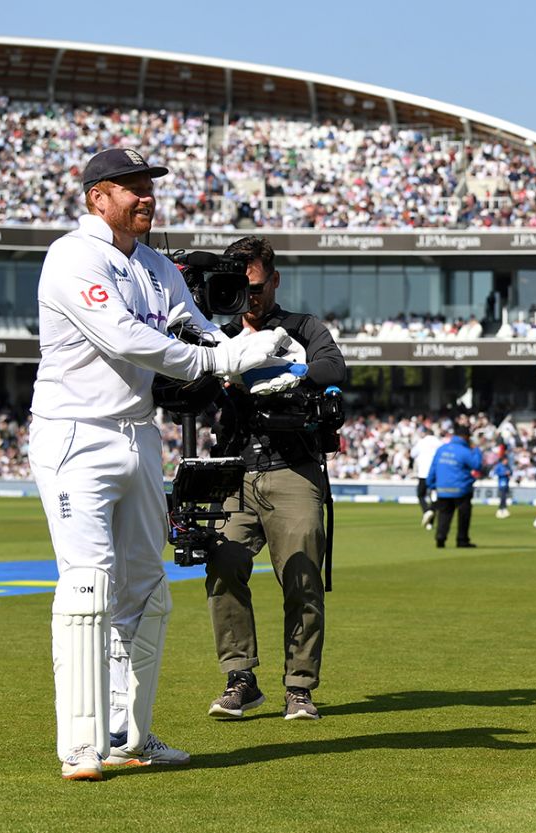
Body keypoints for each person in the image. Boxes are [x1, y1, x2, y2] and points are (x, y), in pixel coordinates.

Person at [30, 148, 290, 780]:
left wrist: (260, 365)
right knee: (88, 586)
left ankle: (131, 734)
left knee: (146, 593)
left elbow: (198, 330)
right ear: (97, 196)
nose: (146, 196)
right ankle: (80, 747)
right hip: (74, 435)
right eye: (132, 187)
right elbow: (122, 336)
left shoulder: (154, 266)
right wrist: (218, 363)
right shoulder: (72, 256)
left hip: (138, 437)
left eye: (149, 186)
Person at [204, 235, 347, 722]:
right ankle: (240, 678)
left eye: (258, 287)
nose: (251, 298)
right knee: (222, 567)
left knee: (302, 577)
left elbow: (334, 367)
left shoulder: (303, 326)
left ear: (275, 280)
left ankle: (300, 688)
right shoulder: (217, 335)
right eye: (241, 288)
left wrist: (292, 369)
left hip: (293, 467)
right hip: (234, 470)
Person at [427, 421, 482, 549]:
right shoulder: (465, 451)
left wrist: (431, 484)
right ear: (466, 437)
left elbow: (433, 468)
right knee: (463, 515)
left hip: (442, 488)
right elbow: (477, 465)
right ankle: (462, 540)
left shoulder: (441, 449)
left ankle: (440, 538)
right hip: (461, 489)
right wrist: (477, 450)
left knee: (444, 514)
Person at [412, 427, 444, 529]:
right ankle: (430, 522)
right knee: (434, 497)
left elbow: (413, 454)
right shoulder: (440, 443)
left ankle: (427, 511)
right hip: (436, 473)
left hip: (423, 473)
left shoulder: (421, 442)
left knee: (421, 495)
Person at [493, 446, 513, 518]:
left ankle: (503, 509)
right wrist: (503, 474)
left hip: (506, 482)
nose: (506, 461)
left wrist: (509, 473)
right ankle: (501, 509)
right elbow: (495, 473)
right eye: (505, 460)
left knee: (504, 496)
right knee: (503, 496)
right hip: (501, 482)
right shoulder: (499, 466)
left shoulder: (507, 466)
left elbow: (511, 472)